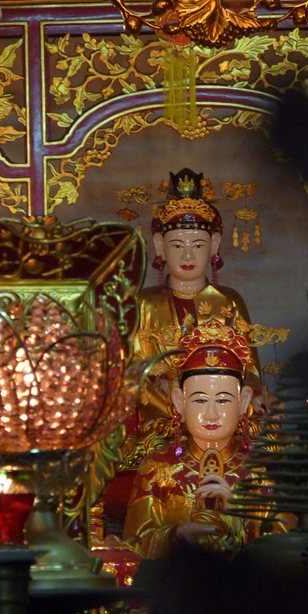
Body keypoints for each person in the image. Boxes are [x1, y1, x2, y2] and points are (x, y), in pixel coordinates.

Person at [134, 167, 261, 429]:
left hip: (221, 419)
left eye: (198, 245)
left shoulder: (228, 301)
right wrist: (167, 391)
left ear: (214, 245)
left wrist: (250, 396)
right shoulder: (144, 304)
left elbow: (250, 371)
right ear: (159, 245)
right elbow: (132, 373)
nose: (188, 256)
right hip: (161, 417)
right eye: (177, 245)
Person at [123, 320, 261, 559]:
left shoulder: (263, 471)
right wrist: (175, 536)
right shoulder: (157, 469)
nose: (211, 414)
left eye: (223, 400)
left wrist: (237, 516)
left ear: (244, 401)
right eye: (199, 400)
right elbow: (133, 546)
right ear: (179, 402)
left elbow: (284, 550)